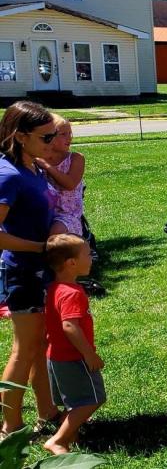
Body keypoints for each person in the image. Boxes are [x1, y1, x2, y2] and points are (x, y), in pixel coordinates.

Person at [0, 100, 60, 438]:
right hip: (23, 271)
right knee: (24, 349)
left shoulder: (33, 166)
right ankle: (10, 427)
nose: (53, 142)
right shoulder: (7, 175)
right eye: (46, 136)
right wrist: (39, 247)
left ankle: (47, 412)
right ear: (21, 137)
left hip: (42, 267)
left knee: (41, 344)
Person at [40, 234, 103, 455]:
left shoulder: (54, 288)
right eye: (87, 254)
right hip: (73, 357)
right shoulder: (72, 293)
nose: (91, 257)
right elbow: (70, 326)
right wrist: (89, 354)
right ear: (71, 263)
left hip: (55, 356)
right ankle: (58, 440)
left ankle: (71, 434)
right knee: (91, 400)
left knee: (73, 401)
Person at [38, 115, 85, 237]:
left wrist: (47, 167)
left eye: (70, 133)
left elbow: (70, 184)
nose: (69, 137)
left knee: (56, 232)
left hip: (68, 215)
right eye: (63, 134)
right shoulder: (37, 159)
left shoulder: (76, 158)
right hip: (44, 212)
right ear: (49, 137)